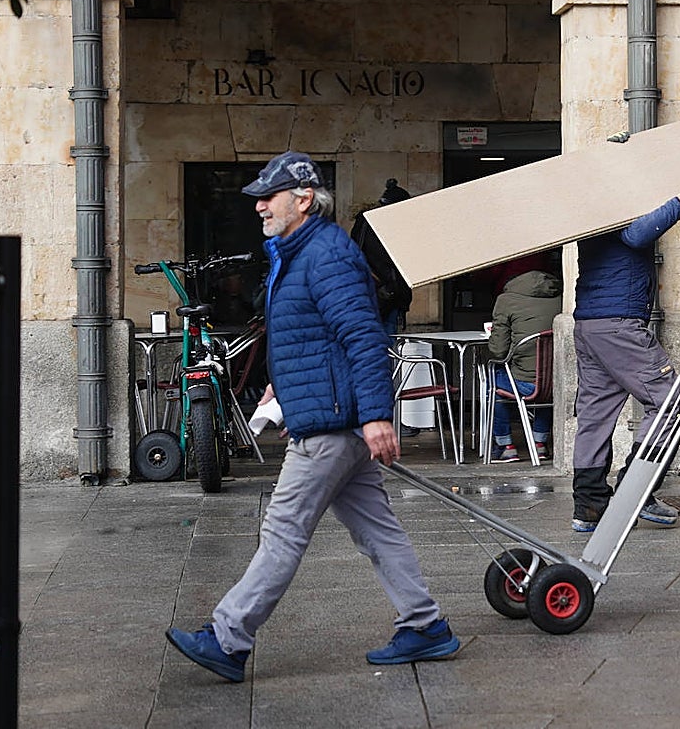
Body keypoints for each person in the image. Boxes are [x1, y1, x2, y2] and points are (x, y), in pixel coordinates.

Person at [165, 151, 459, 683]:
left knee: (282, 530)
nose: (258, 206)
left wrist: (375, 416)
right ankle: (425, 625)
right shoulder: (296, 253)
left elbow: (364, 337)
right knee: (377, 529)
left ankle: (228, 638)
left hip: (332, 423)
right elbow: (310, 334)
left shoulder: (327, 254)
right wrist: (282, 378)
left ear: (303, 199)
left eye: (269, 195)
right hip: (329, 412)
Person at [571, 185, 680, 533]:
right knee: (671, 404)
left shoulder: (585, 208)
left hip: (590, 325)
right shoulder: (613, 202)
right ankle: (635, 491)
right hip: (619, 326)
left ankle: (589, 506)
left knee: (595, 413)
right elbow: (637, 235)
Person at [486, 263, 562, 463]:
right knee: (545, 376)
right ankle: (540, 443)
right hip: (555, 383)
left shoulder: (506, 300)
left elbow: (498, 351)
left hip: (525, 384)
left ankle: (505, 445)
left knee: (492, 382)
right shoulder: (561, 299)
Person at [350, 178, 414, 338]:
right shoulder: (384, 227)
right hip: (385, 294)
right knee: (385, 344)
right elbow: (392, 265)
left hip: (370, 293)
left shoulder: (364, 223)